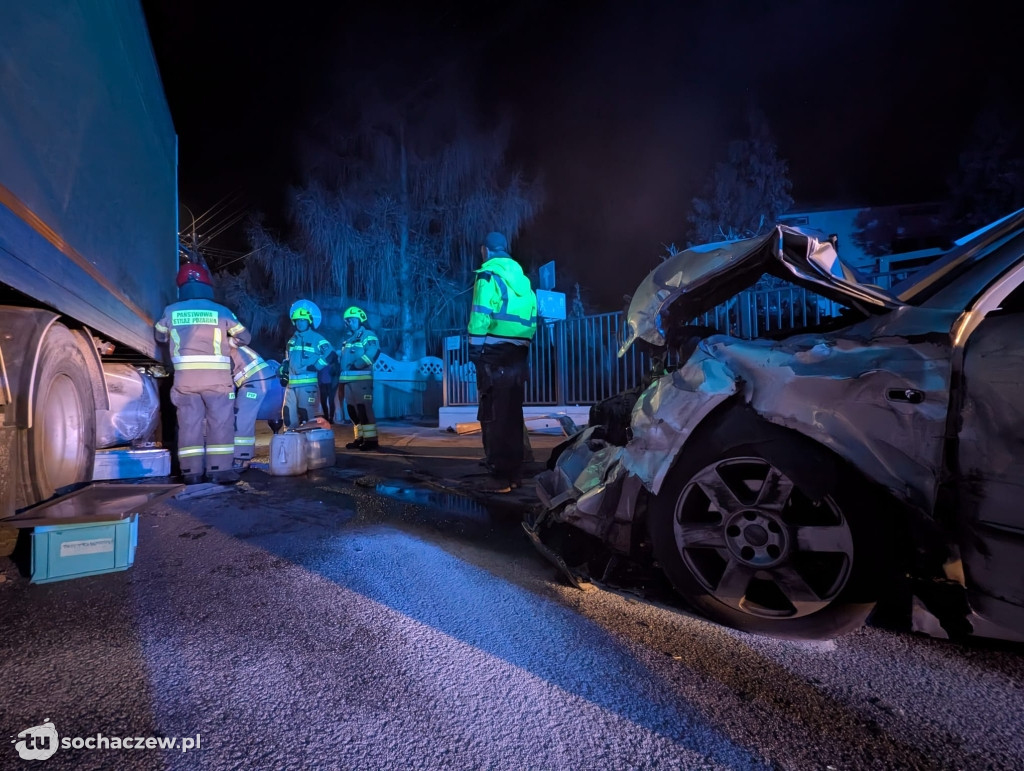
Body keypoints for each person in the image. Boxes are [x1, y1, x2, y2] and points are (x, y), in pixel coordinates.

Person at [155, 262, 250, 485]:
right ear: (207, 284)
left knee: (189, 425)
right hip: (217, 381)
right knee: (220, 423)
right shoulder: (221, 311)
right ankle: (220, 470)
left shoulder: (171, 311)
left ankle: (191, 472)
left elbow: (159, 336)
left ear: (182, 286)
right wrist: (229, 341)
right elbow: (245, 337)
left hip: (185, 381)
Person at [467, 232, 537, 492]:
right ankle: (514, 474)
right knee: (512, 415)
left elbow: (480, 316)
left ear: (486, 250)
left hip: (493, 354)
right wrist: (521, 347)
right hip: (518, 354)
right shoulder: (523, 281)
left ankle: (498, 477)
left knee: (494, 415)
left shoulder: (488, 276)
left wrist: (475, 352)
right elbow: (532, 320)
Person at [279, 301, 333, 429]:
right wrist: (283, 371)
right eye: (297, 320)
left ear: (309, 321)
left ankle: (310, 445)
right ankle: (290, 442)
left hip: (308, 386)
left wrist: (316, 366)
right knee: (287, 415)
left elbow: (331, 354)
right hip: (291, 386)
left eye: (303, 320)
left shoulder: (316, 338)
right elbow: (287, 359)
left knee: (307, 416)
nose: (299, 323)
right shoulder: (292, 340)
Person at [338, 305, 380, 450]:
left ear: (361, 320)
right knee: (352, 411)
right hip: (348, 381)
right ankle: (359, 438)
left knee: (364, 409)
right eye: (348, 320)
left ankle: (371, 440)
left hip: (362, 380)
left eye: (352, 320)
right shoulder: (349, 339)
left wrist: (358, 364)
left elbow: (374, 352)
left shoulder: (368, 334)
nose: (349, 323)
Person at [229, 342, 273, 468]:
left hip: (255, 380)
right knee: (242, 417)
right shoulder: (225, 339)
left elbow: (226, 377)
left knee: (242, 419)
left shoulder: (221, 344)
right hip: (257, 378)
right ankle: (243, 456)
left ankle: (241, 458)